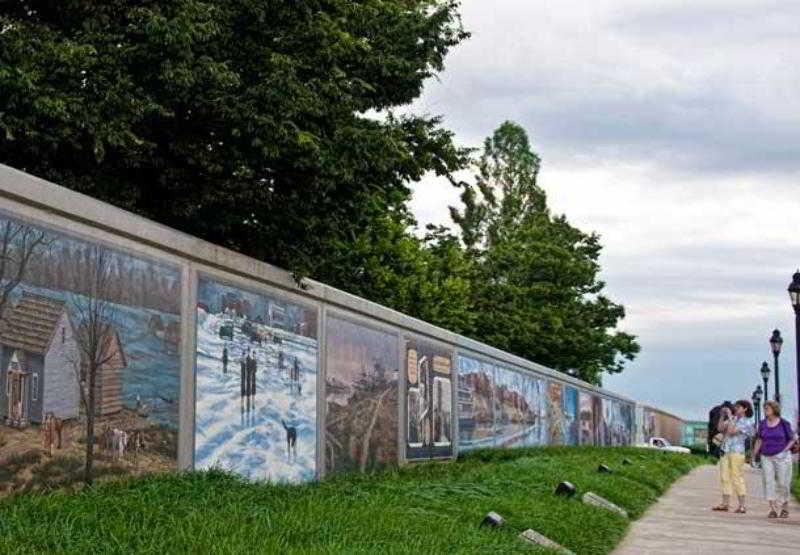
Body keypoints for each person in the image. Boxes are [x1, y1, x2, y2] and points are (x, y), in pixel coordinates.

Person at [753, 400, 797, 519]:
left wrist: (784, 450)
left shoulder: (783, 423)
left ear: (774, 409)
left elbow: (793, 439)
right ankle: (772, 508)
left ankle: (784, 506)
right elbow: (759, 440)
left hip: (782, 457)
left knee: (783, 482)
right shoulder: (762, 424)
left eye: (767, 408)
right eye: (764, 408)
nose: (765, 410)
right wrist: (754, 454)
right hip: (766, 456)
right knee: (768, 482)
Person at [712, 399, 754, 513]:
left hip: (737, 452)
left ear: (745, 409)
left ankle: (742, 505)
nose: (736, 409)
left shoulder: (747, 422)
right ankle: (725, 504)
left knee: (736, 477)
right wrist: (722, 416)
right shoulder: (734, 419)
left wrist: (730, 416)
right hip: (725, 450)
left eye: (739, 407)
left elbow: (731, 431)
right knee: (724, 477)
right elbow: (720, 428)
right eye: (735, 407)